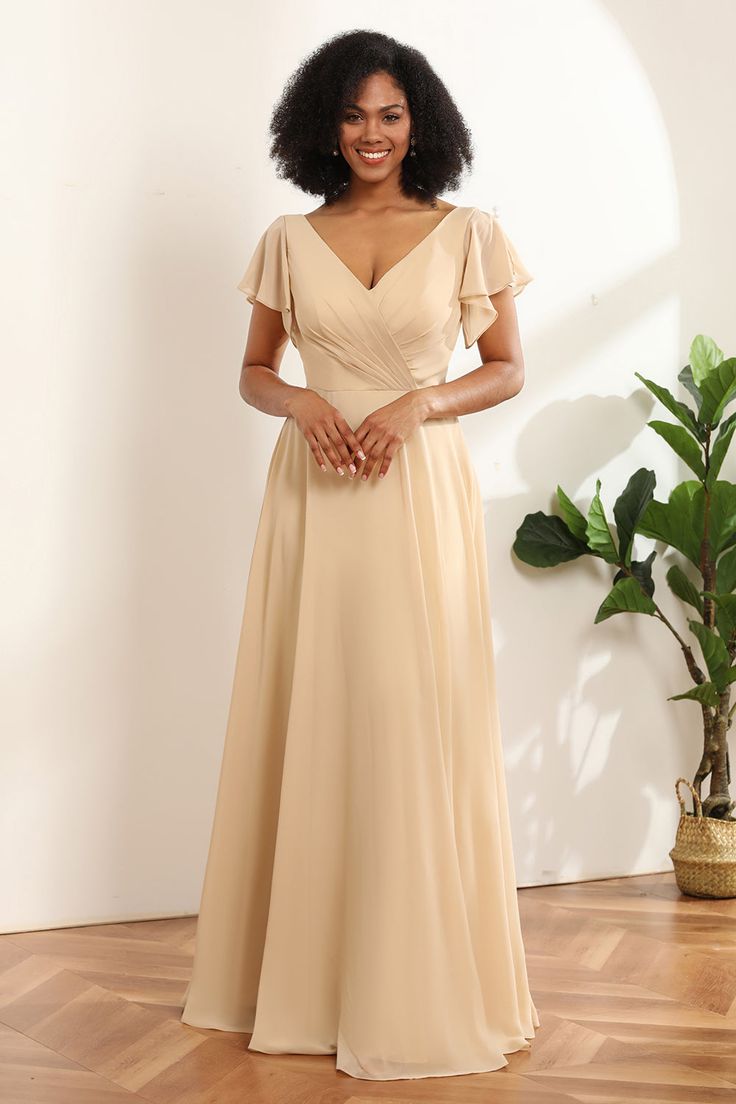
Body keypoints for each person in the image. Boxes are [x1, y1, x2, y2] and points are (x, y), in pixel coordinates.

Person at [180, 28, 540, 1082]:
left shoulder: (466, 230)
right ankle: (304, 980)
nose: (372, 133)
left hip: (416, 491)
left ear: (417, 121)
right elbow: (254, 368)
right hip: (315, 497)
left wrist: (421, 400)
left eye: (389, 113)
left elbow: (508, 367)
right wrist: (298, 403)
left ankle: (419, 973)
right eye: (352, 115)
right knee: (318, 708)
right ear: (321, 128)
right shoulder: (290, 240)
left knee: (407, 709)